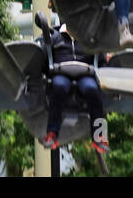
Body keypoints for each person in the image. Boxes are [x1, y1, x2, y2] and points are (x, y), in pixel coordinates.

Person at [40, 21, 108, 156]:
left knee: (93, 90)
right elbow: (44, 57)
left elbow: (100, 59)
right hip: (61, 73)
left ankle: (99, 136)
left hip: (85, 74)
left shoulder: (88, 39)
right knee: (58, 87)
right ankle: (52, 133)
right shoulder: (56, 37)